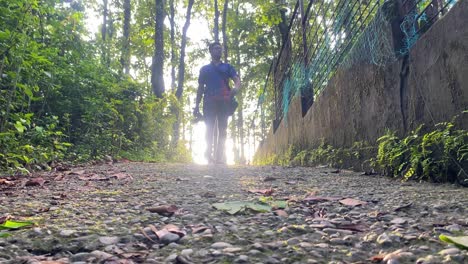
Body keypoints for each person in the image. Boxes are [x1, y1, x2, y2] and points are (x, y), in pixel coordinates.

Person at [194, 42, 241, 164]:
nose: (218, 51)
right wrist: (196, 105)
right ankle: (208, 155)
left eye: (220, 49)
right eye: (216, 49)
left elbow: (236, 80)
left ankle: (220, 156)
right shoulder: (204, 69)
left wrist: (236, 88)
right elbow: (200, 88)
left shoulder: (228, 67)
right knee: (209, 128)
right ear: (210, 51)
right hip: (209, 101)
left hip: (224, 102)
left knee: (223, 128)